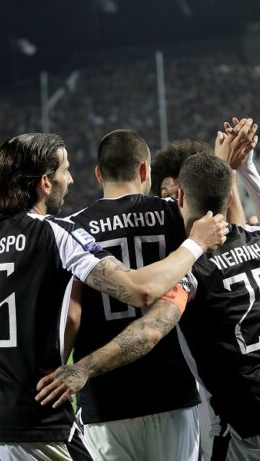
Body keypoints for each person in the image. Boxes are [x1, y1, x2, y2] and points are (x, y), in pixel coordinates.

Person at [0, 132, 228, 461]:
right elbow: (140, 291)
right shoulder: (56, 232)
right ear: (46, 182)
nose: (70, 179)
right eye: (65, 170)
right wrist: (195, 244)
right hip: (36, 427)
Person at [37, 152, 260, 461]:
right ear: (230, 198)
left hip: (251, 423)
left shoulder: (192, 271)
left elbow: (151, 330)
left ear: (181, 197)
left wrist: (83, 368)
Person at [59, 129, 204, 461]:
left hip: (106, 400)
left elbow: (70, 315)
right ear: (144, 170)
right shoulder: (173, 213)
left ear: (98, 174)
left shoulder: (73, 229)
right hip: (171, 393)